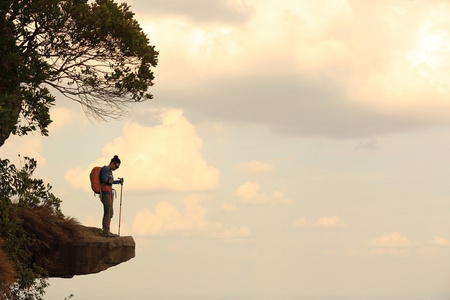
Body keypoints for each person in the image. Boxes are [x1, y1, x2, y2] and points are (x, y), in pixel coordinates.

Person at [99, 155, 124, 237]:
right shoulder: (105, 169)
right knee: (109, 212)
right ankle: (106, 231)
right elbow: (103, 179)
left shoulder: (110, 171)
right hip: (105, 193)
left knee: (110, 212)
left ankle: (106, 230)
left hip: (109, 193)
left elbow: (110, 182)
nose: (116, 168)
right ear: (112, 163)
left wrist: (118, 181)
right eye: (116, 166)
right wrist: (108, 181)